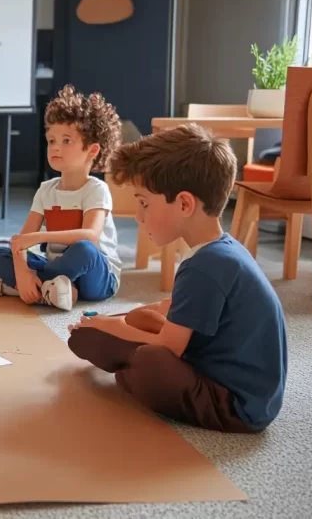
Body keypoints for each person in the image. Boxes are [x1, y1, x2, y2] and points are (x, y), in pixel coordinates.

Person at [67, 124, 287, 433]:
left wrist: (110, 326)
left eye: (144, 203)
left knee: (147, 361)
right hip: (220, 368)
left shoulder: (206, 265)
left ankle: (127, 368)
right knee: (122, 325)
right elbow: (173, 307)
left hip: (236, 405)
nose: (140, 217)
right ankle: (121, 353)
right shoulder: (218, 250)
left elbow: (169, 348)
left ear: (184, 204)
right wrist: (126, 319)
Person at [0, 85, 123, 311]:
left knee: (84, 249)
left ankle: (16, 288)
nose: (55, 147)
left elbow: (91, 236)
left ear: (92, 150)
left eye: (66, 141)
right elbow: (21, 241)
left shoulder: (97, 189)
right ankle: (49, 289)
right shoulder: (46, 190)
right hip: (58, 269)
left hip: (96, 278)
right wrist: (21, 268)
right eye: (51, 141)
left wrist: (37, 238)